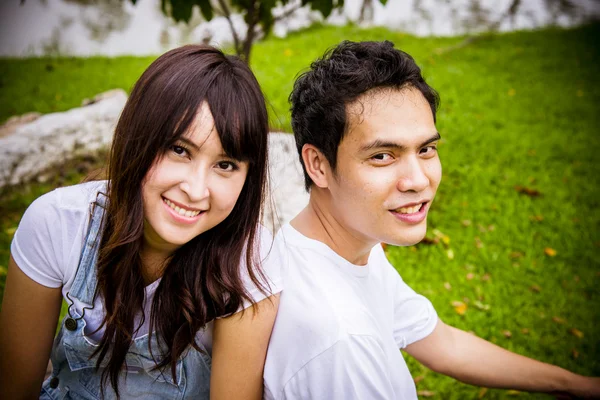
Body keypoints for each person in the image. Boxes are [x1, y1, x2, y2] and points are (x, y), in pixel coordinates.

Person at [262, 40, 600, 399]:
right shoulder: (340, 343)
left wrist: (577, 386)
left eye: (426, 149)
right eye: (382, 156)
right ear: (317, 165)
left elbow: (443, 343)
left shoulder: (336, 246)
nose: (419, 181)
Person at [0, 45, 283, 399]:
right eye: (179, 150)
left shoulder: (251, 262)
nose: (195, 190)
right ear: (139, 138)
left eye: (225, 165)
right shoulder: (57, 223)